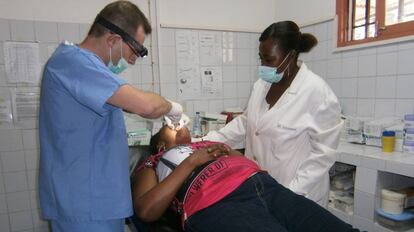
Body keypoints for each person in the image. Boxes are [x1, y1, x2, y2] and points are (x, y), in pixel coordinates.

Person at [38, 1, 187, 231]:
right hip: (86, 205)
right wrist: (173, 108)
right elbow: (147, 106)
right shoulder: (73, 62)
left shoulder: (87, 69)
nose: (132, 59)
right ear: (113, 39)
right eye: (134, 50)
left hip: (99, 201)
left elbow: (128, 103)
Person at [203, 21, 343, 206]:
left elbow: (323, 154)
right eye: (261, 58)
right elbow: (245, 123)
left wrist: (289, 193)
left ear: (291, 55)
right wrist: (204, 142)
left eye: (269, 60)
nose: (263, 66)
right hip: (260, 188)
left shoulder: (316, 92)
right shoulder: (262, 85)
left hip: (297, 196)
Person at [131, 126, 359, 232]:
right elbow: (146, 210)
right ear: (161, 144)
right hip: (216, 203)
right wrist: (192, 162)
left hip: (263, 186)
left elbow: (241, 159)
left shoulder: (205, 143)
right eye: (171, 127)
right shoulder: (156, 161)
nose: (179, 126)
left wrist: (228, 152)